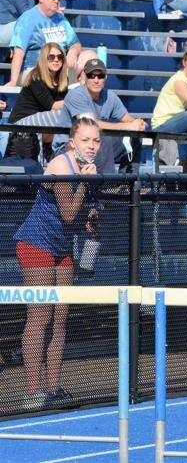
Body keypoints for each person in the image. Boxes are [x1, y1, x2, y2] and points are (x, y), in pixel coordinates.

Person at [13, 115, 101, 411]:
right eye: (86, 140)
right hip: (36, 243)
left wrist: (92, 212)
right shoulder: (63, 165)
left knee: (60, 318)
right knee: (40, 317)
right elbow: (66, 213)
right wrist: (85, 183)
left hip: (62, 247)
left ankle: (53, 387)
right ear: (73, 141)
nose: (91, 146)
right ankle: (31, 391)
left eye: (96, 140)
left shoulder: (87, 168)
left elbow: (82, 210)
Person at [63, 59, 147, 172]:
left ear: (105, 77)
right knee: (104, 138)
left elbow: (128, 119)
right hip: (68, 147)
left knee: (135, 137)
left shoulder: (110, 96)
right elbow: (90, 125)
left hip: (94, 146)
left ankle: (128, 183)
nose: (96, 80)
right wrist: (129, 126)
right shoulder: (75, 95)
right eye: (91, 76)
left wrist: (138, 124)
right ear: (84, 77)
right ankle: (107, 185)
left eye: (100, 76)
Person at [5, 0, 81, 87]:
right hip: (34, 71)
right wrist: (13, 81)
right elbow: (19, 51)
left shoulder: (61, 19)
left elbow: (76, 44)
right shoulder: (28, 18)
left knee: (88, 57)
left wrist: (73, 51)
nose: (56, 0)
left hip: (59, 69)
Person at [9, 42, 69, 161]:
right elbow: (52, 106)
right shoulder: (36, 77)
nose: (56, 60)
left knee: (61, 116)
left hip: (41, 122)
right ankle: (49, 152)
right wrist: (77, 100)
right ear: (44, 59)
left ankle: (53, 152)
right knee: (58, 115)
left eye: (60, 57)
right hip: (21, 124)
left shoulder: (62, 80)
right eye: (51, 57)